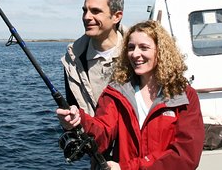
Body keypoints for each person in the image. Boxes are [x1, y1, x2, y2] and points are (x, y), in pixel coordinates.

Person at [57, 20, 204, 170]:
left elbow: (186, 155)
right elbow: (102, 134)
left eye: (144, 48)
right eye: (131, 47)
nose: (135, 54)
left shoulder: (184, 96)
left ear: (161, 51)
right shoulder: (116, 92)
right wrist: (79, 120)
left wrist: (129, 168)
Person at [62, 0, 124, 116]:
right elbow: (73, 105)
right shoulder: (72, 58)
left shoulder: (140, 55)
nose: (86, 17)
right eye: (85, 10)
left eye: (95, 11)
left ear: (116, 16)